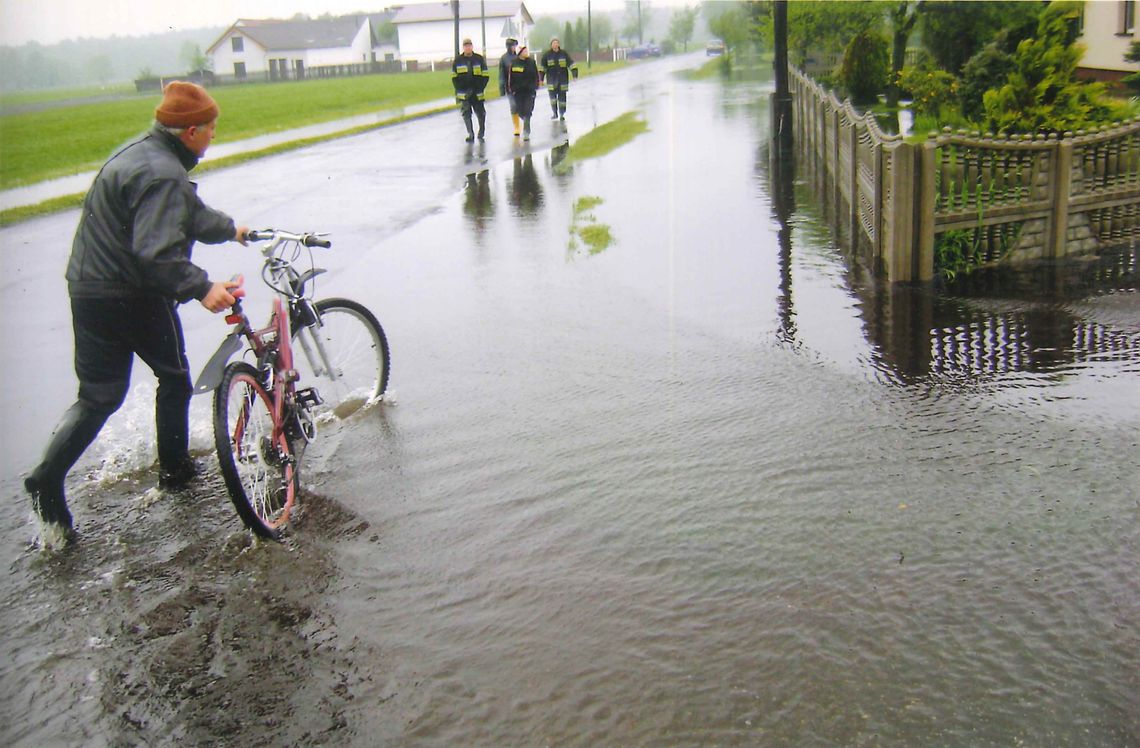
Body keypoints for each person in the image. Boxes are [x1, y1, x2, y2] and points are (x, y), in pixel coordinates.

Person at [24, 81, 248, 547]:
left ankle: (46, 477)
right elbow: (156, 254)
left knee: (99, 395)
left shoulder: (142, 154)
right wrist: (202, 287)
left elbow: (185, 213)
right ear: (190, 131)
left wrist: (234, 230)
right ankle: (175, 474)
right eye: (210, 129)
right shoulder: (163, 173)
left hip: (89, 289)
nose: (213, 137)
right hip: (133, 293)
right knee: (175, 378)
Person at [452, 38, 489, 142]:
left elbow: (485, 75)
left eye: (469, 45)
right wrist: (460, 89)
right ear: (463, 47)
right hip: (464, 93)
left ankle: (481, 131)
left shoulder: (479, 59)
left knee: (481, 113)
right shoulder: (458, 60)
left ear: (472, 46)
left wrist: (480, 88)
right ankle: (470, 133)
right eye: (465, 46)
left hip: (477, 92)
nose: (467, 48)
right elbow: (454, 77)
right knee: (466, 114)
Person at [508, 46, 541, 141]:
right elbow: (511, 78)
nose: (526, 52)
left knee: (528, 110)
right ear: (520, 52)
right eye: (524, 51)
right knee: (520, 111)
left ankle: (526, 131)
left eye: (527, 50)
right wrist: (512, 89)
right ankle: (525, 120)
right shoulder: (514, 63)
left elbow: (536, 75)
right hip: (518, 92)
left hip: (529, 91)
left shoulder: (531, 62)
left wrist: (536, 86)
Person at [540, 38, 579, 121]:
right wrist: (541, 79)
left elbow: (571, 64)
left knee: (562, 98)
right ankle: (554, 113)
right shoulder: (547, 55)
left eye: (556, 43)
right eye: (553, 43)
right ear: (551, 45)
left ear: (559, 44)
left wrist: (574, 75)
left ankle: (562, 113)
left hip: (562, 80)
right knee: (553, 99)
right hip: (551, 80)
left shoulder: (564, 54)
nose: (555, 44)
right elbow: (542, 68)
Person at [498, 37, 521, 137]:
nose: (513, 47)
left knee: (522, 106)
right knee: (513, 106)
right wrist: (501, 88)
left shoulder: (519, 57)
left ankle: (525, 122)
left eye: (515, 45)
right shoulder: (504, 58)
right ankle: (516, 127)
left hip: (521, 87)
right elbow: (501, 74)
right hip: (510, 87)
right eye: (512, 46)